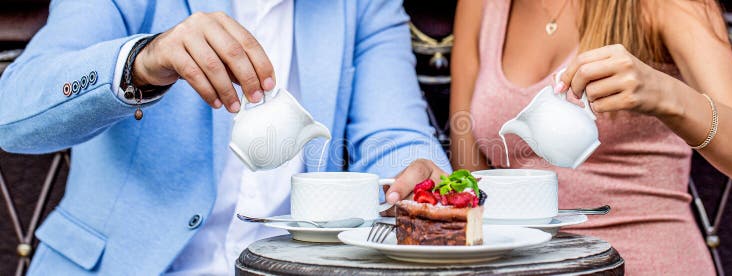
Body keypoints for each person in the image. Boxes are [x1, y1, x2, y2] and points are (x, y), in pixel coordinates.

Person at [0, 1, 450, 274]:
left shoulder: (363, 4)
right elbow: (13, 113)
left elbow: (393, 132)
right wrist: (142, 60)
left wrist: (420, 174)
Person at [388, 0, 732, 274]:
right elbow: (473, 177)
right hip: (523, 269)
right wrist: (442, 191)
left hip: (648, 263)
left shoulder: (665, 4)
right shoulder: (483, 5)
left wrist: (667, 95)